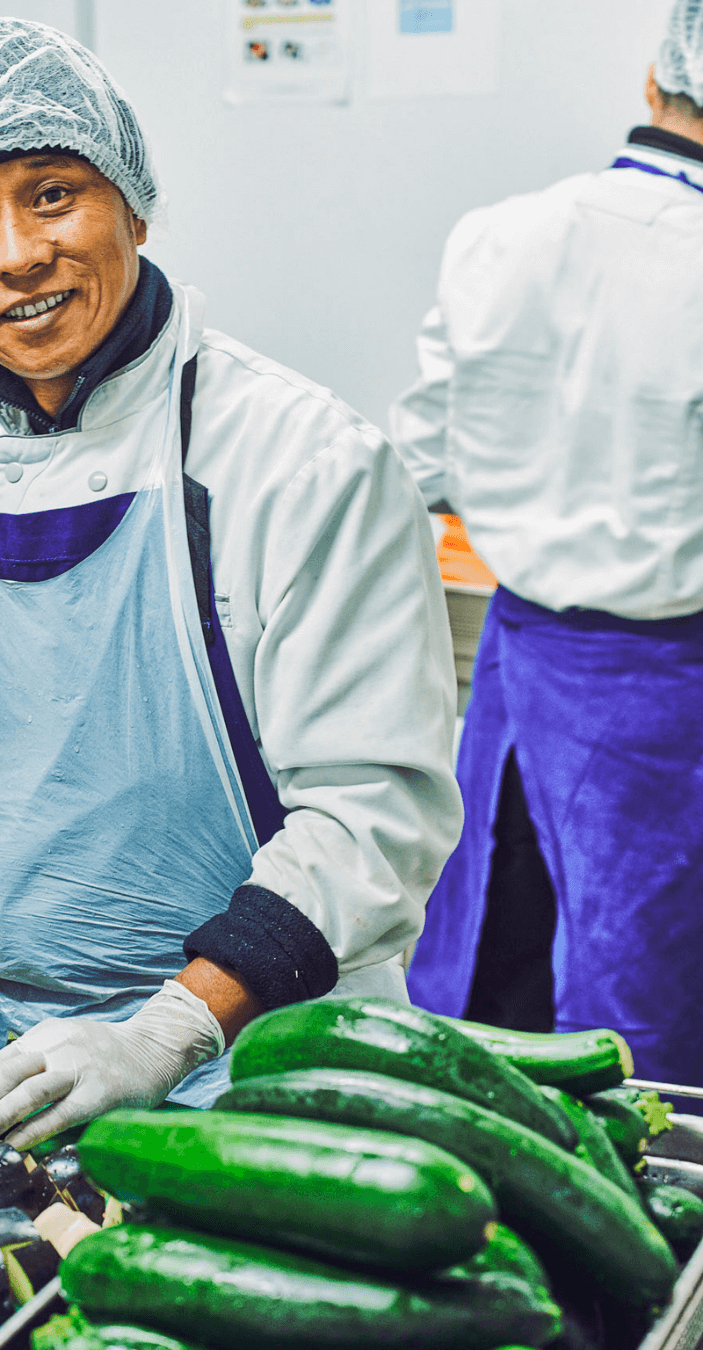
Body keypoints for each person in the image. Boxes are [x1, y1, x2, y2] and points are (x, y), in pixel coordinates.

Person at [0, 14, 462, 1149]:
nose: (16, 255)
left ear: (133, 199)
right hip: (0, 1069)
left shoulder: (302, 462)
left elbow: (372, 817)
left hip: (267, 1072)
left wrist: (163, 1032)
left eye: (53, 195)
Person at [391, 0, 703, 1088]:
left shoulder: (501, 235)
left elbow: (418, 458)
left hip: (521, 668)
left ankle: (476, 1217)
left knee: (491, 964)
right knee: (645, 1019)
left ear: (652, 77)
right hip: (666, 700)